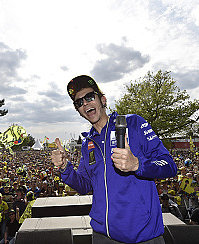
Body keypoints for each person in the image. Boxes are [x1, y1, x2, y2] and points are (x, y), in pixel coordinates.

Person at [51, 75, 177, 244]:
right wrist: (65, 167)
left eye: (89, 97)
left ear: (103, 100)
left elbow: (169, 165)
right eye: (79, 102)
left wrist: (137, 164)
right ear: (78, 111)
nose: (85, 103)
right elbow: (84, 186)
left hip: (143, 236)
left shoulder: (133, 124)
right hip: (103, 236)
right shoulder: (88, 143)